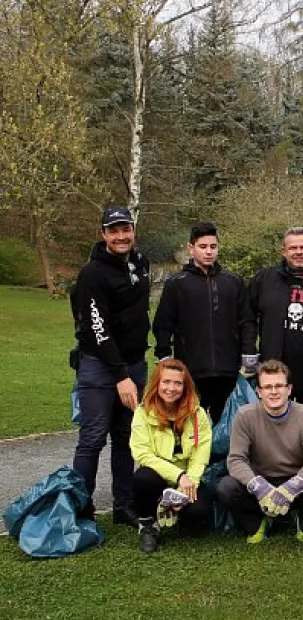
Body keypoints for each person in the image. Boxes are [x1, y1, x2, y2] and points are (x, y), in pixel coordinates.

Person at [71, 206, 150, 527]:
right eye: (113, 230)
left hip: (134, 363)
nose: (121, 236)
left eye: (125, 229)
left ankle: (124, 505)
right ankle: (79, 508)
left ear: (133, 229)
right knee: (92, 439)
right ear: (103, 234)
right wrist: (121, 377)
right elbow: (97, 328)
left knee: (126, 437)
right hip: (100, 367)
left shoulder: (140, 262)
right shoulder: (93, 274)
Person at [152, 221, 258, 423]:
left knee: (226, 428)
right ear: (191, 248)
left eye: (213, 246)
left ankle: (223, 457)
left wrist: (249, 351)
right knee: (189, 426)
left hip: (227, 369)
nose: (208, 252)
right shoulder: (177, 284)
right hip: (191, 370)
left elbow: (246, 320)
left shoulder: (233, 282)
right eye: (203, 247)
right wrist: (164, 355)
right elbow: (163, 323)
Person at [217, 360, 303, 543]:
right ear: (259, 391)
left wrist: (292, 487)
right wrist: (258, 486)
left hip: (295, 482)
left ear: (289, 389)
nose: (273, 391)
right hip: (259, 482)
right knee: (226, 487)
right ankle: (256, 523)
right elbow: (236, 460)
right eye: (267, 387)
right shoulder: (244, 415)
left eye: (279, 385)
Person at [248, 227, 303, 430]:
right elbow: (247, 317)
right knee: (270, 429)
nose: (298, 252)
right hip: (273, 372)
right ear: (283, 251)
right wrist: (249, 350)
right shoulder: (264, 280)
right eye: (293, 247)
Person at [130, 359, 213, 553]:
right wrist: (178, 476)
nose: (171, 388)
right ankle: (148, 526)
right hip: (159, 476)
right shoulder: (142, 413)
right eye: (166, 382)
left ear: (185, 387)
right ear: (157, 384)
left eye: (178, 383)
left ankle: (174, 510)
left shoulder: (198, 414)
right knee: (142, 478)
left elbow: (201, 454)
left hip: (187, 479)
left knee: (198, 514)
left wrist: (189, 482)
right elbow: (141, 454)